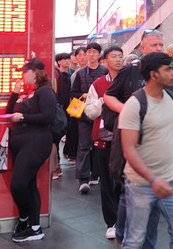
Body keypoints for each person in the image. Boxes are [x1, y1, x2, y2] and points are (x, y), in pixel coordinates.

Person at [104, 29, 172, 246]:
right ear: (143, 48)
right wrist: (127, 110)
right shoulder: (130, 72)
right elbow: (108, 96)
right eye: (154, 45)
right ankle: (123, 234)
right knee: (128, 192)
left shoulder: (170, 74)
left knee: (150, 200)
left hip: (159, 145)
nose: (159, 49)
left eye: (161, 45)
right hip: (132, 143)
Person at [118, 52, 173, 249]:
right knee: (134, 240)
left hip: (172, 179)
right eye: (167, 69)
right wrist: (152, 179)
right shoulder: (134, 105)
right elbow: (129, 150)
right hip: (140, 183)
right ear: (153, 74)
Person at [5, 58, 57, 243]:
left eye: (25, 71)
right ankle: (33, 227)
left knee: (18, 184)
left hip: (36, 141)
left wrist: (24, 117)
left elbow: (48, 116)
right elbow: (9, 111)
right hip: (21, 142)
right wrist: (15, 93)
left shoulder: (45, 92)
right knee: (28, 184)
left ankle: (25, 219)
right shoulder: (27, 93)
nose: (22, 75)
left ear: (34, 73)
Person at [87, 46, 125, 239]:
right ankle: (111, 222)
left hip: (127, 138)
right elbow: (89, 112)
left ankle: (125, 219)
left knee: (124, 180)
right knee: (107, 182)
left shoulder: (130, 80)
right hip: (104, 138)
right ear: (105, 61)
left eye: (120, 56)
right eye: (114, 57)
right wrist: (103, 102)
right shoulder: (98, 83)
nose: (118, 60)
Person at [71, 42, 109, 194]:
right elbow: (72, 94)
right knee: (85, 145)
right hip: (86, 115)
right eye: (89, 52)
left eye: (94, 52)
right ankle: (83, 178)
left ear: (99, 55)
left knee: (102, 144)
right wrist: (83, 95)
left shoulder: (105, 71)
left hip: (102, 114)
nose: (91, 55)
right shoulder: (80, 74)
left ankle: (98, 174)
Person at [51, 52, 71, 180]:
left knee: (53, 140)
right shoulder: (61, 74)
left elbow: (62, 94)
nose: (66, 61)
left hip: (58, 110)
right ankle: (56, 167)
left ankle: (54, 169)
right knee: (54, 140)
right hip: (61, 110)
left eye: (67, 59)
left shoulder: (60, 75)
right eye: (63, 59)